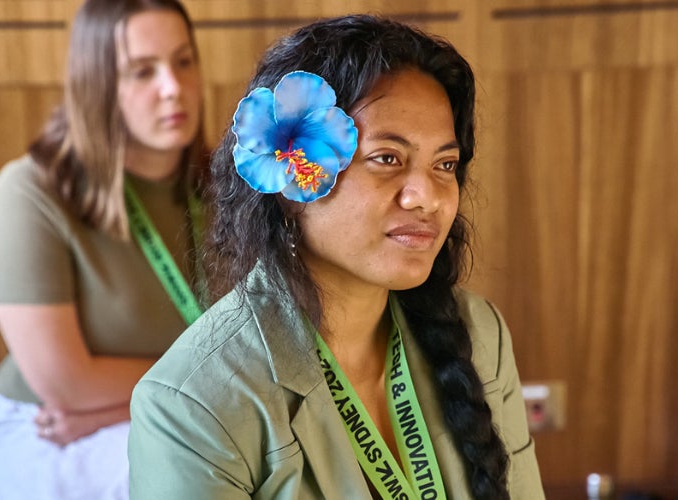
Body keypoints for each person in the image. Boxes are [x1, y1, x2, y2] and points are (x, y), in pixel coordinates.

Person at [129, 14, 546, 499]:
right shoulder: (192, 403)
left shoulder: (480, 334)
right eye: (387, 158)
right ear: (291, 182)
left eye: (445, 164)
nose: (427, 197)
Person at [0, 0, 206, 497]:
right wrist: (211, 382)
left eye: (184, 61)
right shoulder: (30, 191)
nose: (173, 87)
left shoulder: (232, 188)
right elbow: (67, 385)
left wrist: (125, 406)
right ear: (97, 84)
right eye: (142, 71)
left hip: (170, 413)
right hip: (48, 428)